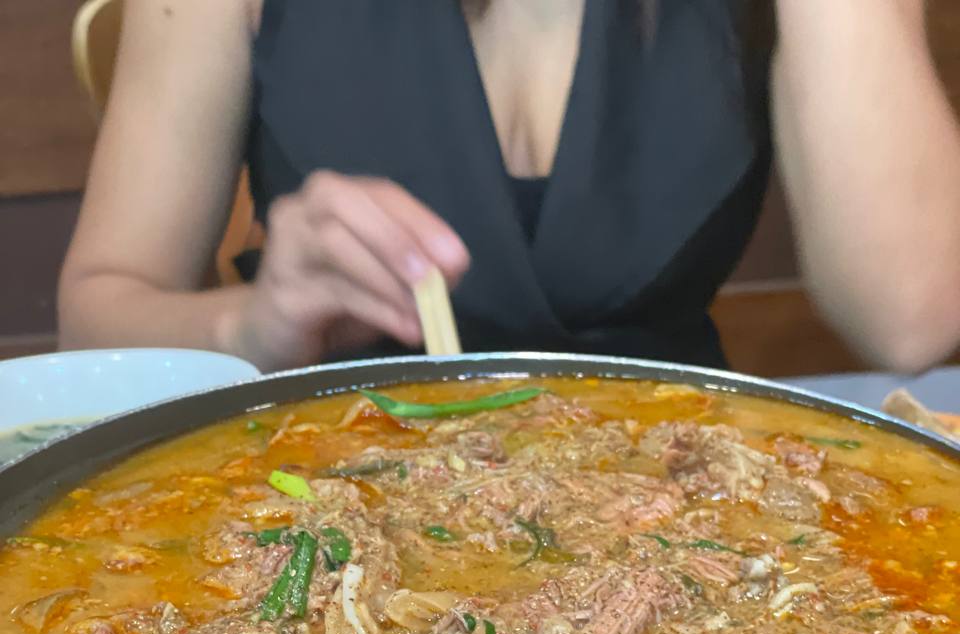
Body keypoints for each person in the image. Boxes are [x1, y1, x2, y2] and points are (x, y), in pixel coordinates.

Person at [58, 0, 960, 374]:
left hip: (675, 491)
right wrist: (250, 329)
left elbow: (913, 319)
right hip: (336, 486)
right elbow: (96, 313)